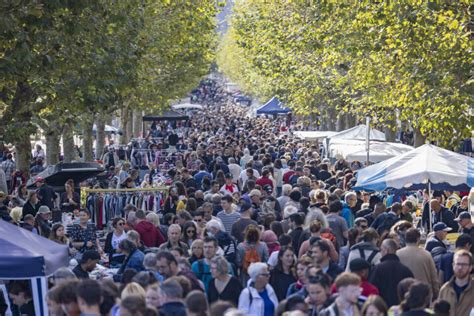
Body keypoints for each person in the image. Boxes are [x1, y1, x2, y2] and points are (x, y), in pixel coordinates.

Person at [396, 228, 440, 299]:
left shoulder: (398, 254)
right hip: (424, 294)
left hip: (404, 293)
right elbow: (433, 277)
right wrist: (436, 294)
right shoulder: (426, 254)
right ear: (418, 239)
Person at [369, 239, 414, 307]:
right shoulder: (406, 270)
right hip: (401, 309)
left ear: (386, 250)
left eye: (381, 250)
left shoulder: (377, 269)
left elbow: (372, 289)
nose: (380, 252)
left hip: (382, 308)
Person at [438, 250, 474, 316]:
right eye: (458, 264)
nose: (460, 268)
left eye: (464, 264)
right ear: (453, 265)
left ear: (471, 267)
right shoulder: (445, 289)